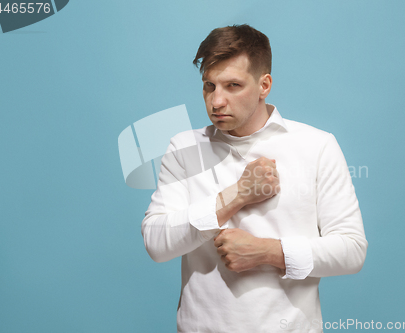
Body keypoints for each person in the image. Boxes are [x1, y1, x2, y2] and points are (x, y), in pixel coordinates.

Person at [142, 24, 368, 333]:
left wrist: (269, 252)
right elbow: (156, 243)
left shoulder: (316, 146)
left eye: (233, 85)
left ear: (264, 85)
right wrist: (237, 196)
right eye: (209, 86)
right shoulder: (184, 148)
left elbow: (351, 250)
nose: (216, 101)